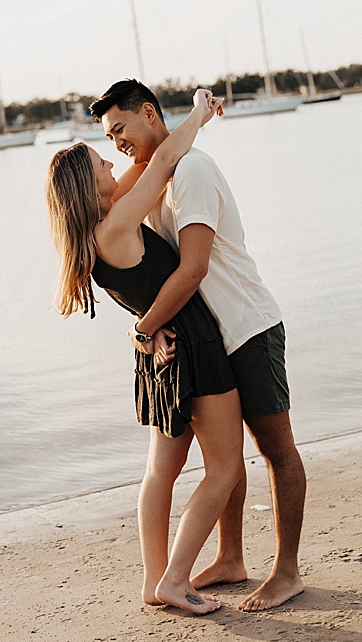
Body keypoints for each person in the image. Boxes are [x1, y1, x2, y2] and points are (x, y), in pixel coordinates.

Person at [89, 78, 306, 614]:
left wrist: (145, 328)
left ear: (147, 112)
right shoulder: (157, 177)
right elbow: (133, 270)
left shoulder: (193, 171)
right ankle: (231, 558)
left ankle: (286, 572)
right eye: (109, 136)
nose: (117, 143)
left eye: (120, 128)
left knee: (275, 451)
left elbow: (192, 269)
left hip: (246, 328)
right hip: (205, 340)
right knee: (223, 457)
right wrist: (144, 323)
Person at [46, 87, 240, 614]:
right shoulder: (116, 225)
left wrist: (143, 331)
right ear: (89, 184)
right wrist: (200, 110)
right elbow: (169, 158)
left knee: (162, 472)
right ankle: (176, 580)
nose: (111, 160)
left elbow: (154, 158)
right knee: (224, 467)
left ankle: (155, 581)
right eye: (99, 161)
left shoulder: (96, 232)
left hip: (158, 354)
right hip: (190, 343)